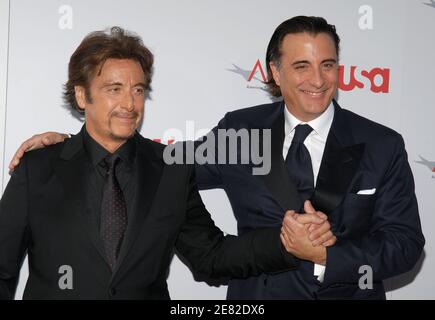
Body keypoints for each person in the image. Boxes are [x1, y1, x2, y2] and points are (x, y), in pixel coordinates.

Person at [10, 15, 423, 300]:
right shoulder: (240, 132)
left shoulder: (381, 144)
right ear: (275, 73)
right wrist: (72, 145)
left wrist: (323, 255)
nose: (316, 80)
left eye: (327, 65)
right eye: (301, 66)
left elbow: (406, 244)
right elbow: (163, 159)